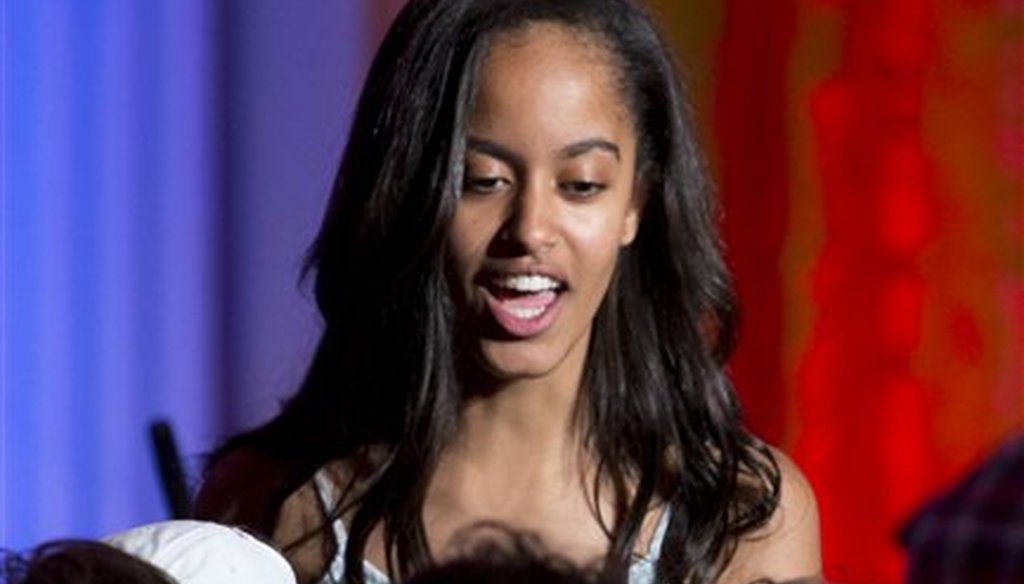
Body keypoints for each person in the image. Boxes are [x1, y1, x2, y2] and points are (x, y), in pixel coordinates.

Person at [194, 0, 821, 582]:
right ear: (412, 190)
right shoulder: (275, 506)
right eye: (482, 180)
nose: (529, 230)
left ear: (637, 202)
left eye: (580, 185)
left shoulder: (738, 519)